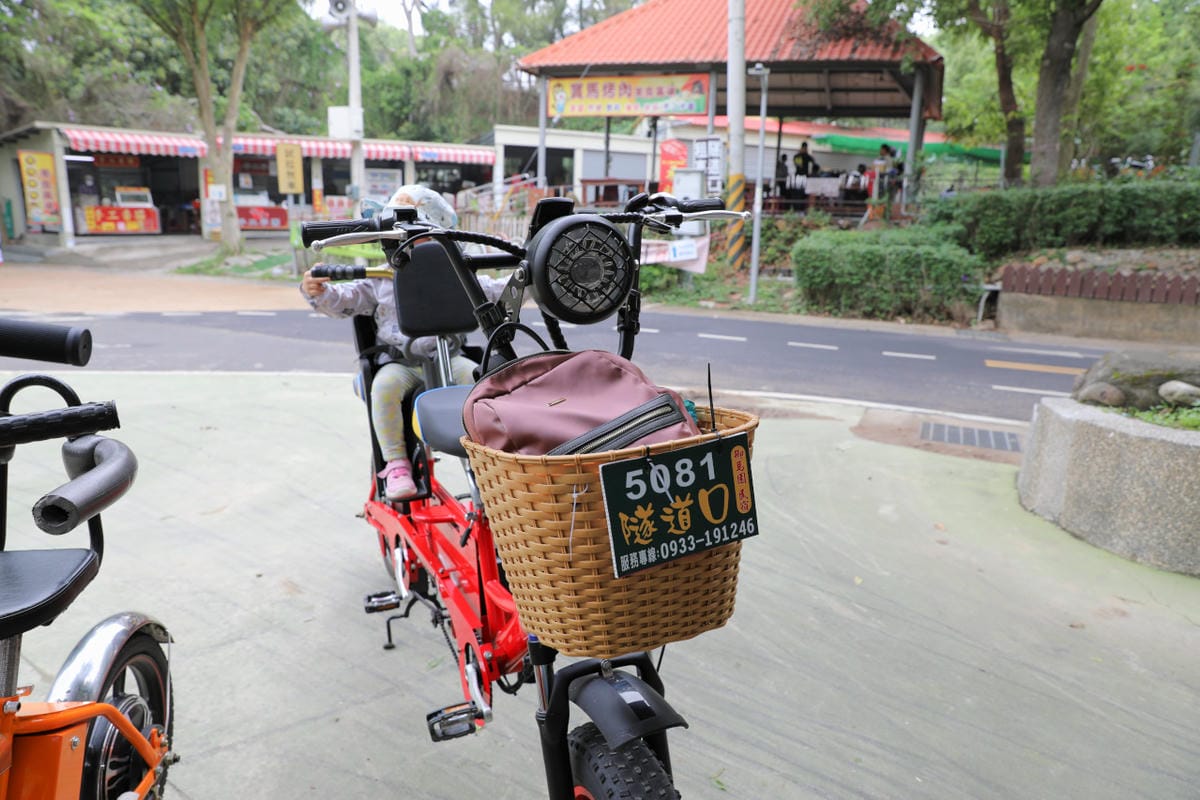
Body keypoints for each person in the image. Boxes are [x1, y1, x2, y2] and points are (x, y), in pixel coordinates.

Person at [301, 185, 508, 500]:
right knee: (384, 387)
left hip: (449, 357)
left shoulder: (454, 275)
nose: (411, 243)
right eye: (398, 233)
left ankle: (489, 458)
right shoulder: (381, 278)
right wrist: (319, 292)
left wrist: (526, 274)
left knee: (480, 384)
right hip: (402, 362)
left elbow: (494, 290)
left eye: (422, 235)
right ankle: (396, 463)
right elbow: (347, 299)